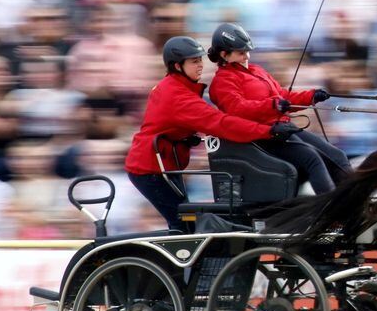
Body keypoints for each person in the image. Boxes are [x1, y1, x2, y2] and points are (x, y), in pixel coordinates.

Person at [125, 36, 300, 232]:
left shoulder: (173, 86)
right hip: (151, 169)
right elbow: (221, 123)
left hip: (163, 164)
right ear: (177, 66)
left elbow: (161, 122)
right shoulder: (178, 96)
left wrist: (183, 136)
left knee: (185, 222)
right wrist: (268, 131)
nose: (200, 65)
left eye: (200, 59)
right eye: (194, 61)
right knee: (184, 225)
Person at [207, 22, 352, 194]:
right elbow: (238, 108)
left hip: (283, 129)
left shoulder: (256, 70)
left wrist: (311, 96)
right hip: (263, 136)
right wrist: (273, 105)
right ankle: (333, 207)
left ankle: (355, 199)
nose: (247, 56)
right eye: (241, 53)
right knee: (312, 159)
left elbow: (282, 96)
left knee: (337, 156)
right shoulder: (222, 81)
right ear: (224, 55)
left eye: (247, 51)